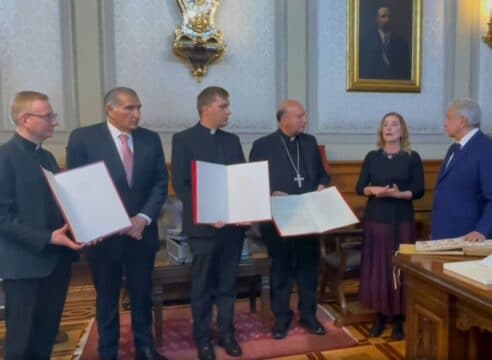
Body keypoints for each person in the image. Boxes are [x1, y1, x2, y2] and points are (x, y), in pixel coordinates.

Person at [66, 87, 168, 360]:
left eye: (138, 108)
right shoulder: (83, 138)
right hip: (104, 236)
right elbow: (77, 185)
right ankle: (107, 351)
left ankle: (145, 348)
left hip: (140, 234)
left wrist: (143, 218)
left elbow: (160, 183)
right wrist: (91, 225)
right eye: (129, 108)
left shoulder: (150, 139)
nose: (137, 114)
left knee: (141, 294)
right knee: (107, 297)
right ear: (110, 109)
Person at [0, 91, 82, 359]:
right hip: (23, 266)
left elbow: (57, 208)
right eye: (48, 116)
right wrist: (47, 238)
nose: (55, 122)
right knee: (20, 345)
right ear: (25, 119)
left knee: (45, 339)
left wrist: (82, 228)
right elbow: (3, 218)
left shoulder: (46, 158)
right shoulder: (4, 158)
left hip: (56, 263)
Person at [172, 86, 246, 360]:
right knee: (202, 286)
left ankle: (227, 333)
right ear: (206, 108)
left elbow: (240, 180)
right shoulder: (183, 139)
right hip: (203, 229)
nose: (229, 111)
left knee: (228, 284)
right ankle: (202, 339)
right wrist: (208, 213)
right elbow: (181, 185)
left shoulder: (232, 140)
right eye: (224, 106)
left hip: (232, 228)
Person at [249, 99, 329, 340]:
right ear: (285, 119)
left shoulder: (310, 142)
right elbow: (253, 182)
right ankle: (281, 319)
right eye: (301, 116)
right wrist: (270, 192)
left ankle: (308, 316)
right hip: (278, 219)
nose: (305, 120)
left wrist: (322, 185)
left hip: (308, 217)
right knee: (281, 270)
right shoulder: (263, 145)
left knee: (308, 269)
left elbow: (322, 174)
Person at [356, 112, 424, 340]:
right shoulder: (372, 157)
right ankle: (380, 315)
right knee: (379, 268)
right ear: (381, 130)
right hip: (377, 220)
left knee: (398, 268)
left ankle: (398, 319)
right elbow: (360, 187)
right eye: (386, 124)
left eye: (394, 124)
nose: (389, 128)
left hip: (402, 220)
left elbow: (418, 190)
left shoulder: (412, 157)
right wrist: (373, 190)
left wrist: (398, 194)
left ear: (402, 130)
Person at [431, 98, 492, 242]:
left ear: (462, 121)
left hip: (469, 238)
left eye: (448, 118)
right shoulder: (454, 148)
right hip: (444, 235)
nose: (445, 124)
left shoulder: (486, 148)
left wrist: (482, 230)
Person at [359, 5, 411, 80]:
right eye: (383, 17)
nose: (387, 20)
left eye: (389, 17)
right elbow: (364, 69)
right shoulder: (366, 41)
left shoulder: (402, 43)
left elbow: (406, 71)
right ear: (377, 19)